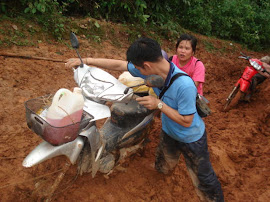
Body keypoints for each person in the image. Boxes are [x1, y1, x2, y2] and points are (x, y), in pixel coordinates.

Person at [65, 37, 224, 202]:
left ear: (146, 65)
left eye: (139, 68)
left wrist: (158, 104)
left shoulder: (185, 85)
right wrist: (86, 61)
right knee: (163, 166)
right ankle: (162, 179)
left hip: (191, 138)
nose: (136, 71)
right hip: (169, 131)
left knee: (204, 179)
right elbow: (120, 65)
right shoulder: (151, 67)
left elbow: (187, 121)